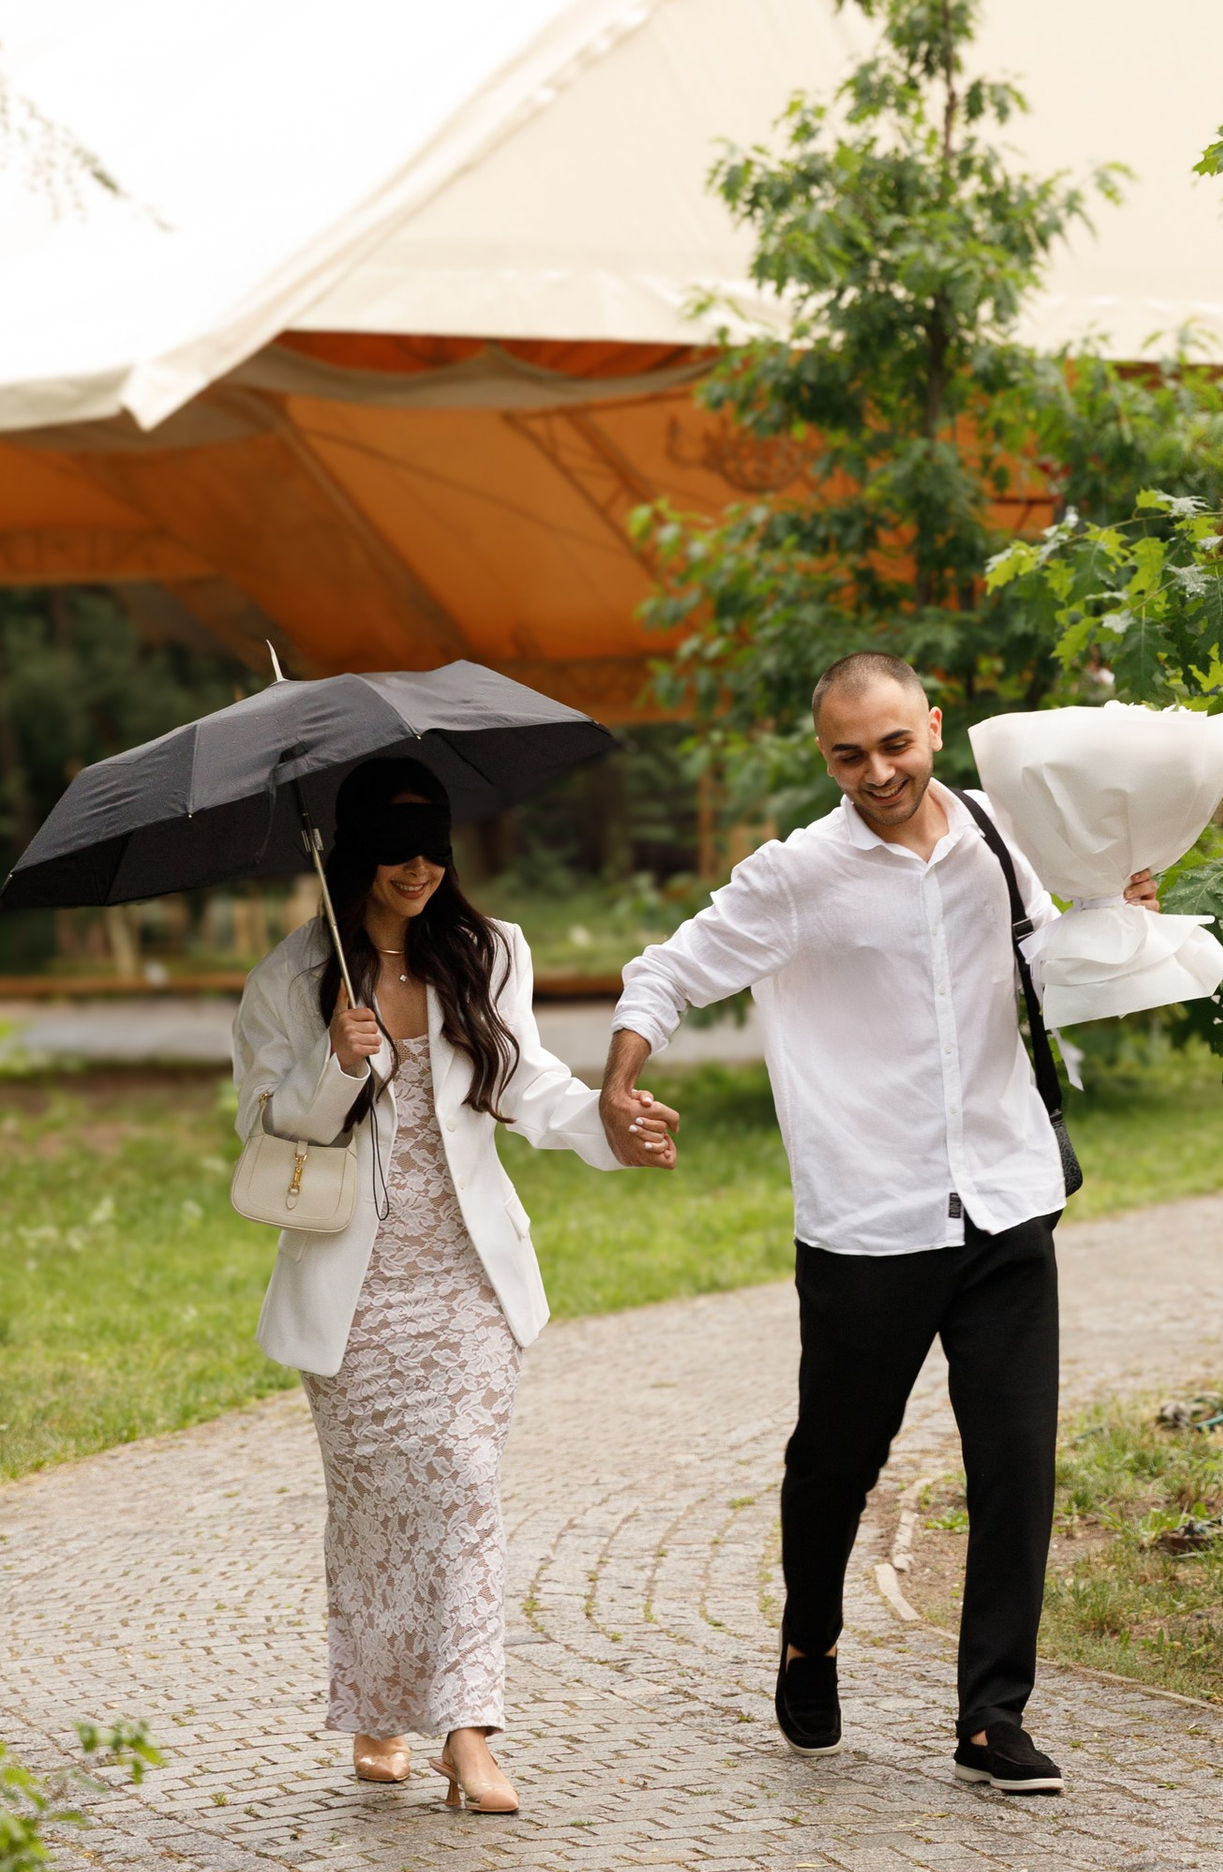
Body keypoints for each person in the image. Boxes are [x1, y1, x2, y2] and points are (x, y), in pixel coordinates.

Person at [600, 655, 1155, 1796]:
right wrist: (618, 1083)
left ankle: (991, 1717)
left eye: (894, 745)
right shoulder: (797, 874)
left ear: (934, 729)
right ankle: (810, 1638)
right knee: (837, 1462)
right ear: (826, 758)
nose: (877, 772)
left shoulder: (1006, 835)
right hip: (870, 1217)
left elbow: (1047, 961)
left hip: (1005, 1197)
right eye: (849, 755)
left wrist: (1113, 922)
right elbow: (663, 973)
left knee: (1016, 1467)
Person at [234, 757, 672, 1811]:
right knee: (378, 1501)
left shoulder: (489, 950)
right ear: (354, 854)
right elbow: (261, 1126)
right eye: (397, 849)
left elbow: (529, 1084)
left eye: (434, 845)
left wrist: (609, 1125)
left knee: (466, 1484)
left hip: (467, 1275)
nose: (421, 867)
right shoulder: (289, 980)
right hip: (354, 1284)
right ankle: (379, 1708)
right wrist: (334, 1063)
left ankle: (468, 1731)